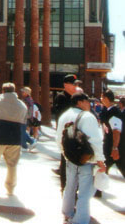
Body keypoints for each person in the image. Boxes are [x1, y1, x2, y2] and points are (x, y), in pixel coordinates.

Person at [56, 93, 105, 224]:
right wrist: (100, 160)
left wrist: (65, 154)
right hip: (87, 159)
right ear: (81, 102)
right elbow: (95, 140)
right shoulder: (88, 117)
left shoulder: (64, 116)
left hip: (70, 158)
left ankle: (67, 213)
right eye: (87, 102)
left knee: (70, 186)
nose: (89, 105)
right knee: (85, 191)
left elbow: (59, 138)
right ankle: (80, 220)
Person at [0, 83, 27, 195]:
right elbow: (24, 120)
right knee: (12, 165)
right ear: (14, 91)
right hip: (15, 139)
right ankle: (10, 188)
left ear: (3, 91)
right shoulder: (22, 105)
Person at [52, 74, 79, 190]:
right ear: (65, 85)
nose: (76, 86)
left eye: (77, 84)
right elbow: (61, 117)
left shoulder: (77, 98)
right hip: (66, 134)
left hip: (77, 134)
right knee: (65, 161)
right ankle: (64, 188)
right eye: (74, 84)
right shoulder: (61, 97)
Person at [99, 89, 124, 178]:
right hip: (110, 147)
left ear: (106, 98)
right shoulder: (107, 111)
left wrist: (115, 148)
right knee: (101, 172)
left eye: (102, 97)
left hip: (115, 148)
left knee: (101, 171)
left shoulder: (114, 113)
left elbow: (116, 132)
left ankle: (97, 191)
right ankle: (97, 191)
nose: (100, 99)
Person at [20, 87, 37, 151]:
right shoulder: (28, 99)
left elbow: (24, 109)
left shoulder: (26, 100)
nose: (22, 93)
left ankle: (25, 145)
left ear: (26, 93)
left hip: (24, 117)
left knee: (22, 131)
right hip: (25, 117)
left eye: (23, 92)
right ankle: (31, 141)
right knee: (22, 131)